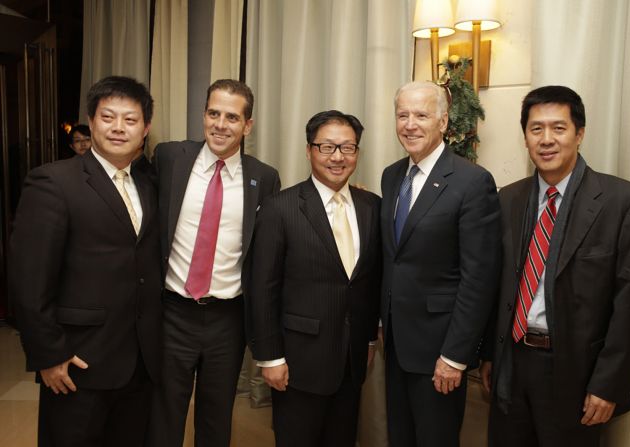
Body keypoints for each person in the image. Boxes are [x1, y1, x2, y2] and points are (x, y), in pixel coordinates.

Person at [480, 85, 630, 447]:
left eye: (558, 128)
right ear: (526, 137)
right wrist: (489, 356)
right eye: (536, 129)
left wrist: (609, 385)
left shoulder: (625, 203)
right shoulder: (508, 199)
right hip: (511, 366)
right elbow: (496, 285)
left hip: (576, 376)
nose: (546, 139)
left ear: (580, 133)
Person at [10, 76, 161, 446]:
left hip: (141, 361)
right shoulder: (52, 182)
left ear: (145, 128)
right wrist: (48, 354)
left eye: (130, 119)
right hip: (77, 360)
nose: (118, 127)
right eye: (108, 117)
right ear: (91, 121)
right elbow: (29, 281)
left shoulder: (150, 182)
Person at [147, 79, 280, 447]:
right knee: (164, 413)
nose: (221, 124)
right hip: (172, 311)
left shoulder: (264, 178)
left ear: (247, 125)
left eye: (232, 117)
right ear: (203, 115)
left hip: (227, 318)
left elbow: (270, 244)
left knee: (216, 414)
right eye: (213, 113)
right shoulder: (170, 157)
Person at [249, 110, 381, 447]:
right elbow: (262, 288)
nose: (338, 157)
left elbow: (369, 281)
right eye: (327, 147)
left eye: (347, 148)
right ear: (309, 151)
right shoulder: (280, 208)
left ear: (357, 154)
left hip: (351, 362)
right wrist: (270, 357)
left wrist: (367, 340)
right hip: (297, 362)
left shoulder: (372, 207)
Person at [380, 80, 501, 447]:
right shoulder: (392, 175)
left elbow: (479, 278)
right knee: (400, 437)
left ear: (444, 122)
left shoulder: (472, 182)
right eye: (403, 115)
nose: (410, 124)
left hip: (439, 350)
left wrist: (455, 356)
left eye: (421, 115)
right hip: (397, 346)